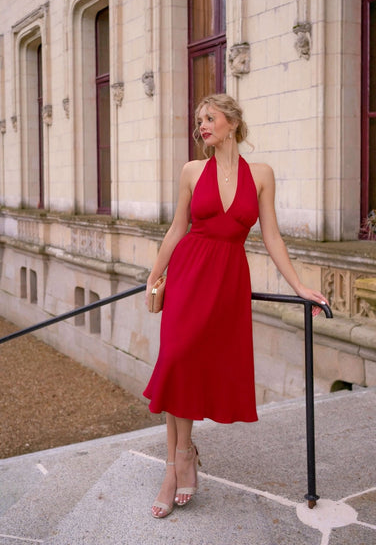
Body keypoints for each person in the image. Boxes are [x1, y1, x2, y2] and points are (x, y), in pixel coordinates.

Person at [143, 93, 327, 519]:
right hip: (189, 275)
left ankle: (178, 463)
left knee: (188, 368)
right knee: (175, 359)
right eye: (199, 120)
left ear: (232, 122)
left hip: (227, 280)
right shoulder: (192, 170)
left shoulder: (261, 174)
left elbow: (273, 236)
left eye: (210, 118)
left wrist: (299, 286)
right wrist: (155, 275)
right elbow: (176, 229)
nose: (202, 125)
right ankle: (178, 461)